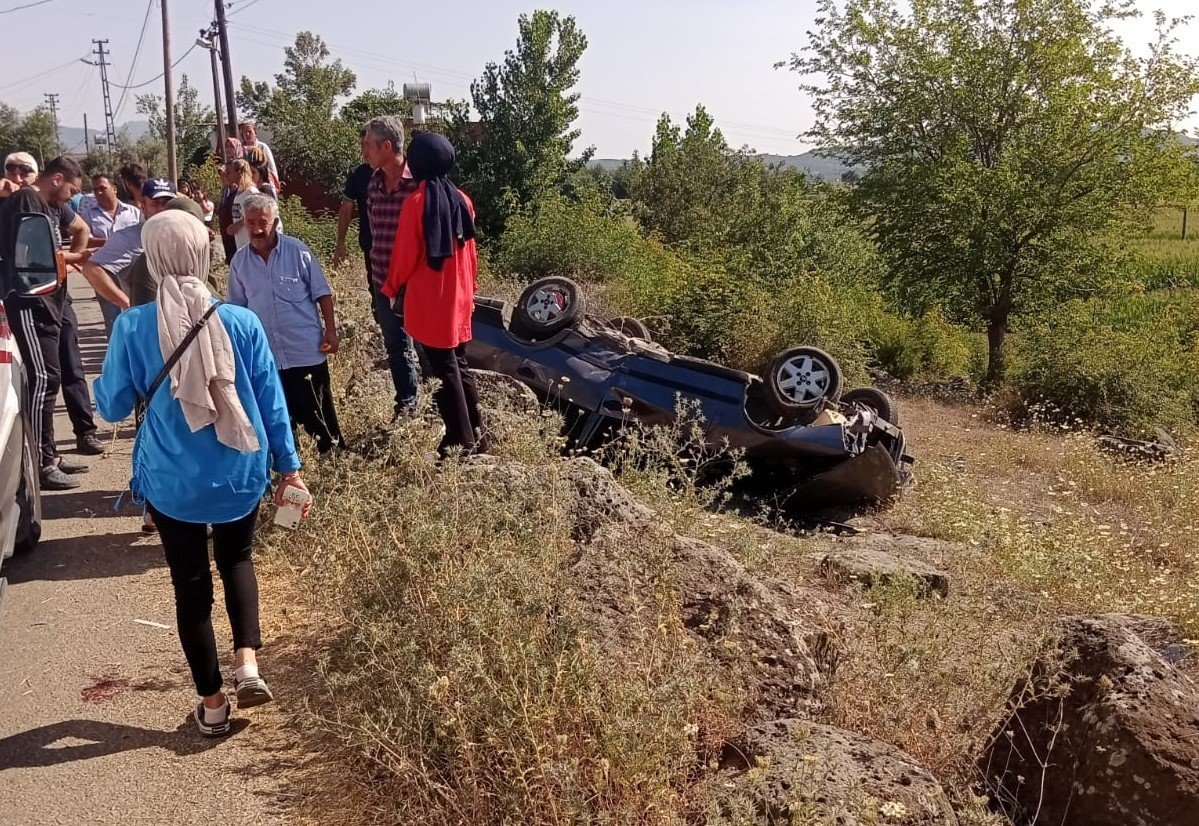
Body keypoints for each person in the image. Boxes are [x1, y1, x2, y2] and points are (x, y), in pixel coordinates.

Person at [94, 210, 309, 737]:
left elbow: (112, 406)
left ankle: (212, 707)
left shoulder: (133, 325)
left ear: (153, 259)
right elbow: (271, 403)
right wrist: (288, 468)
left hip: (172, 481)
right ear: (203, 254)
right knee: (237, 559)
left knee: (190, 585)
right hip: (240, 470)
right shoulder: (241, 321)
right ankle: (248, 664)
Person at [382, 132, 485, 457]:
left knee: (444, 369)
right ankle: (478, 436)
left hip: (433, 298)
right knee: (458, 363)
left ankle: (459, 443)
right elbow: (472, 251)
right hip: (460, 293)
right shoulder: (462, 199)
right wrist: (471, 289)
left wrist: (390, 288)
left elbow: (404, 255)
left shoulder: (416, 203)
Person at [0, 156, 101, 487]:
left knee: (51, 377)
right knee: (42, 379)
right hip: (30, 300)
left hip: (49, 300)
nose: (72, 197)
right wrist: (72, 258)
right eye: (71, 189)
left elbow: (78, 230)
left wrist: (68, 261)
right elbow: (29, 255)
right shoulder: (26, 201)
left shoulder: (47, 204)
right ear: (57, 179)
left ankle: (49, 454)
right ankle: (40, 463)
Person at [228, 194, 344, 453]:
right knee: (278, 419)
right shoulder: (239, 262)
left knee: (319, 414)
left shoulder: (297, 251)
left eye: (263, 222)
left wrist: (331, 331)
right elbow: (236, 311)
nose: (257, 229)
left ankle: (333, 459)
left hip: (304, 351)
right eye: (251, 222)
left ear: (275, 221)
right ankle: (290, 464)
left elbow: (322, 293)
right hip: (266, 356)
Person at [363, 116, 421, 418]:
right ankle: (407, 405)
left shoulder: (419, 183)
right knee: (395, 345)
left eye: (368, 145)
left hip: (416, 283)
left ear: (387, 146)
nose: (364, 152)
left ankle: (437, 403)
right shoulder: (373, 183)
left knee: (426, 346)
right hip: (383, 280)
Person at [82, 178, 177, 337]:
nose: (162, 209)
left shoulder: (182, 234)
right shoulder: (129, 238)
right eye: (156, 203)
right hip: (145, 327)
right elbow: (92, 270)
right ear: (143, 206)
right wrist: (126, 303)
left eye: (167, 203)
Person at [333, 129, 374, 289]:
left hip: (400, 247)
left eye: (367, 145)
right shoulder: (359, 174)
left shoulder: (400, 172)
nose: (363, 150)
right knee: (376, 292)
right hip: (370, 245)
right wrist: (340, 242)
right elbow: (345, 210)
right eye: (361, 145)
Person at [79, 173, 142, 248]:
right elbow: (85, 241)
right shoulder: (88, 214)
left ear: (114, 189)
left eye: (102, 188)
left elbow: (142, 236)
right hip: (102, 255)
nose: (98, 192)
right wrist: (113, 242)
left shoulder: (133, 212)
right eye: (95, 190)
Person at [225, 160, 259, 250]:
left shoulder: (251, 192)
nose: (227, 175)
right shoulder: (238, 192)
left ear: (238, 173)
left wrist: (238, 225)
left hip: (252, 243)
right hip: (240, 242)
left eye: (229, 172)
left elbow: (258, 214)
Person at [238, 122, 279, 189]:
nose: (247, 134)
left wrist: (274, 185)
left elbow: (271, 167)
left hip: (262, 183)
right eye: (245, 132)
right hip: (246, 184)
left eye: (250, 132)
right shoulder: (240, 149)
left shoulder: (262, 146)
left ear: (255, 134)